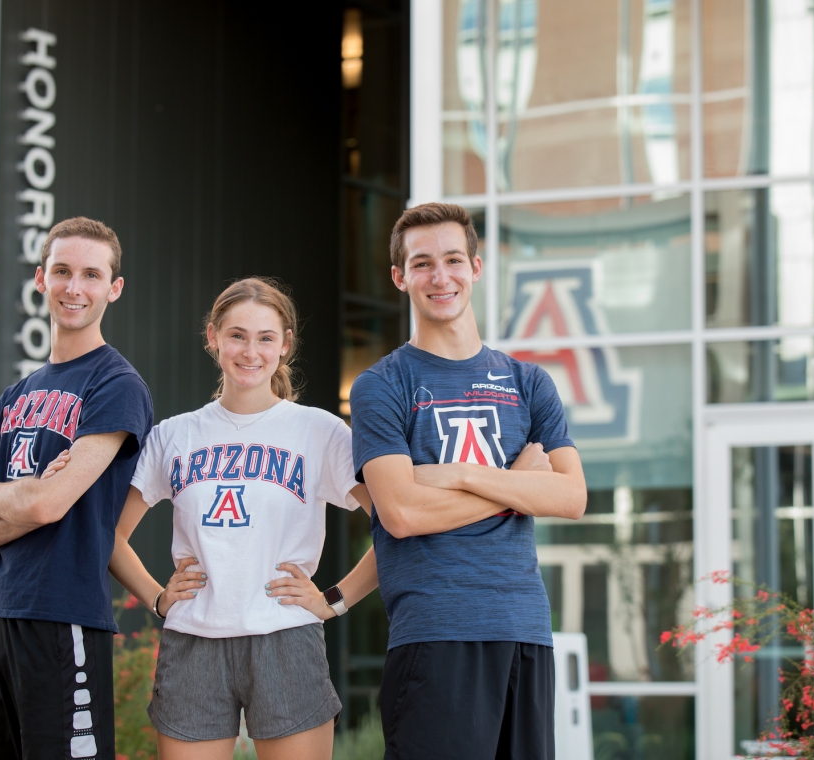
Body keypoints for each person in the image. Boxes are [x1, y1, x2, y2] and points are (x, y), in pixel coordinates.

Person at [51, 277, 377, 760]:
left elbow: (394, 522)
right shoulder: (174, 436)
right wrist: (159, 599)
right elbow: (109, 534)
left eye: (266, 338)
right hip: (194, 640)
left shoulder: (320, 431)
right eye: (237, 335)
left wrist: (335, 599)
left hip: (285, 636)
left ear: (285, 345)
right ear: (213, 338)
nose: (251, 351)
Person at [349, 203, 587, 760]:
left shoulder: (529, 383)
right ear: (399, 277)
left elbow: (571, 496)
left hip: (524, 626)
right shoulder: (382, 385)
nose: (440, 276)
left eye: (453, 259)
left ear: (476, 267)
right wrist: (514, 484)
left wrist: (458, 475)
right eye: (423, 263)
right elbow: (402, 515)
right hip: (435, 628)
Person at [0, 216, 153, 760]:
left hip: (64, 616)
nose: (74, 287)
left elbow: (48, 502)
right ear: (41, 279)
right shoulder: (17, 394)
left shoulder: (115, 384)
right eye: (62, 271)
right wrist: (0, 498)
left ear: (114, 288)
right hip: (2, 611)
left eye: (91, 274)